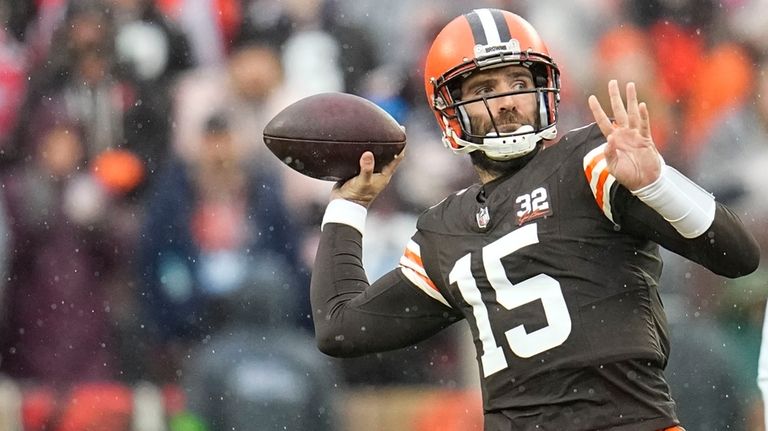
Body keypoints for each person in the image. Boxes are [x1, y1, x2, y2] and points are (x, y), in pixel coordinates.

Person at [307, 8, 761, 430]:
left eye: (518, 82)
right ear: (449, 111)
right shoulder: (443, 230)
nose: (506, 102)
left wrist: (656, 183)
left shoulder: (591, 162)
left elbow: (738, 255)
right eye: (484, 90)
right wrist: (349, 204)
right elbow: (341, 328)